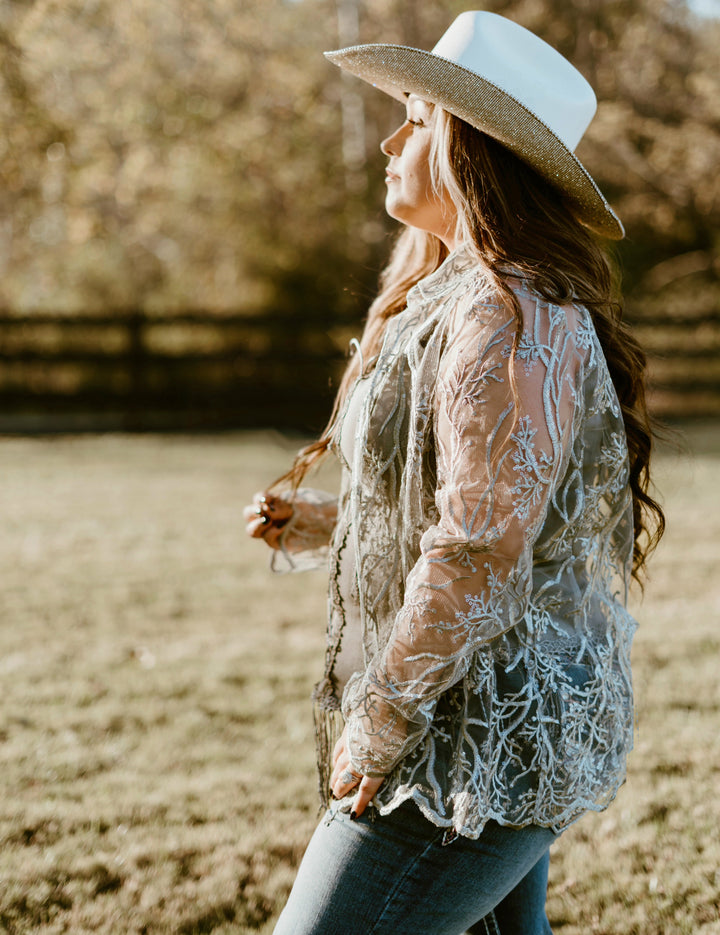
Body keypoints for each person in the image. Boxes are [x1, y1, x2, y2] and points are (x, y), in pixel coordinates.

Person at [244, 11, 664, 935]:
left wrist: (384, 715)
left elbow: (480, 547)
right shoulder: (460, 289)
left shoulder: (511, 313)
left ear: (472, 150)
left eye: (417, 120)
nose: (392, 140)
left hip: (478, 728)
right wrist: (324, 523)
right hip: (471, 700)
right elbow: (475, 501)